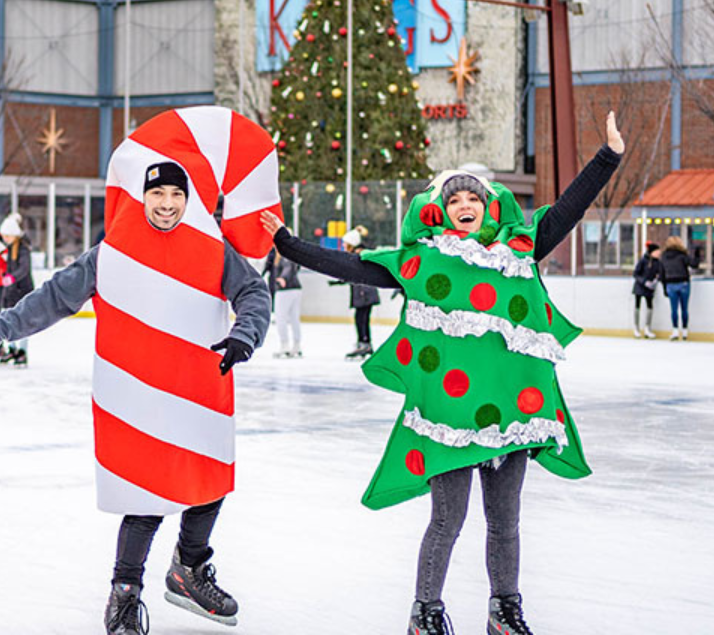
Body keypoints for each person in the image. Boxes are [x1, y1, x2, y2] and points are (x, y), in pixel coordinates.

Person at [262, 112, 624, 635]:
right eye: (454, 199)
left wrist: (607, 156)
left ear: (490, 205)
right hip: (449, 418)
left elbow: (570, 206)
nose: (465, 206)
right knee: (447, 521)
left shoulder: (520, 251)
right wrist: (288, 244)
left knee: (505, 524)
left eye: (473, 198)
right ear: (439, 210)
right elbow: (354, 267)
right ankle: (425, 613)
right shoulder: (423, 261)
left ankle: (504, 611)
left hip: (510, 415)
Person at [0, 112, 274, 635]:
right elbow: (52, 299)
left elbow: (253, 293)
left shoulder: (212, 248)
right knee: (147, 496)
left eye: (176, 195)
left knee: (209, 484)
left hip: (202, 388)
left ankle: (189, 570)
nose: (167, 204)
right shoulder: (112, 253)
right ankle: (125, 592)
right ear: (142, 196)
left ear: (188, 198)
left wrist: (245, 335)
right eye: (158, 194)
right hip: (139, 397)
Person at [0, 213, 35, 366]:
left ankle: (22, 352)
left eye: (7, 236)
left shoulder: (23, 248)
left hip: (22, 290)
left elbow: (24, 268)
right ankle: (12, 349)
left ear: (14, 235)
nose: (5, 239)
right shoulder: (10, 248)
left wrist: (12, 277)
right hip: (11, 290)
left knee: (22, 322)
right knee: (9, 320)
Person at [339, 226, 380, 360]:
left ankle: (364, 343)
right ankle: (364, 342)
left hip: (365, 293)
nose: (343, 245)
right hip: (363, 292)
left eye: (345, 243)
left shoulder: (359, 254)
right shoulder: (357, 254)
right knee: (361, 318)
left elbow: (359, 274)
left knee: (361, 319)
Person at [659, 235, 696, 341]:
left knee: (674, 309)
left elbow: (662, 274)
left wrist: (664, 288)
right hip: (683, 282)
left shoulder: (664, 256)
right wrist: (697, 254)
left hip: (670, 284)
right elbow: (694, 265)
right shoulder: (682, 255)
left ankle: (675, 331)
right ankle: (684, 331)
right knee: (684, 309)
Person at [268, 249, 302, 358]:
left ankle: (285, 345)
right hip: (295, 289)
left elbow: (288, 267)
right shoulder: (287, 254)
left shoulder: (285, 254)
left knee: (280, 318)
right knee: (294, 318)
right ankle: (296, 346)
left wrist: (283, 278)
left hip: (285, 290)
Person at [631, 242, 660, 338]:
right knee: (637, 305)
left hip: (650, 288)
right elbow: (635, 273)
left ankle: (648, 328)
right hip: (640, 286)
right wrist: (644, 282)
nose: (659, 253)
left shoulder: (657, 262)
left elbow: (659, 273)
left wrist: (656, 280)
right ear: (652, 252)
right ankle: (636, 328)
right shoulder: (643, 261)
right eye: (657, 251)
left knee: (650, 306)